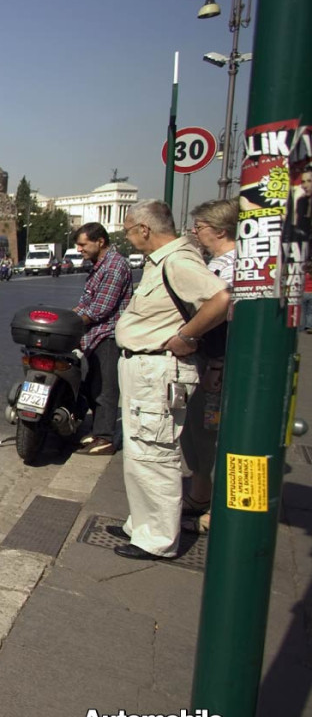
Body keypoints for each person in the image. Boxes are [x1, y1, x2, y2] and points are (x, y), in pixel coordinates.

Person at [109, 200, 230, 561]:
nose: (129, 238)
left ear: (144, 229)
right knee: (140, 451)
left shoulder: (178, 260)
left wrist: (187, 336)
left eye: (130, 231)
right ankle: (141, 525)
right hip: (145, 368)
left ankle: (157, 539)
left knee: (154, 452)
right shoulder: (163, 261)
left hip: (158, 369)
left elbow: (220, 298)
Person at [180, 199, 238, 535]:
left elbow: (221, 309)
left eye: (199, 227)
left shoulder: (230, 268)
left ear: (219, 229)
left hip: (216, 360)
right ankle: (200, 495)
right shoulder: (215, 263)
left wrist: (186, 334)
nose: (195, 232)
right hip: (208, 359)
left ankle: (216, 506)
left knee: (211, 434)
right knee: (198, 432)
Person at [71, 223, 132, 456]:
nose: (79, 249)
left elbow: (99, 309)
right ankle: (98, 432)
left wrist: (74, 323)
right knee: (92, 386)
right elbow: (86, 302)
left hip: (107, 335)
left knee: (105, 388)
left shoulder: (115, 267)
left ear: (100, 242)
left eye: (83, 244)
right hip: (95, 336)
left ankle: (104, 438)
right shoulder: (100, 266)